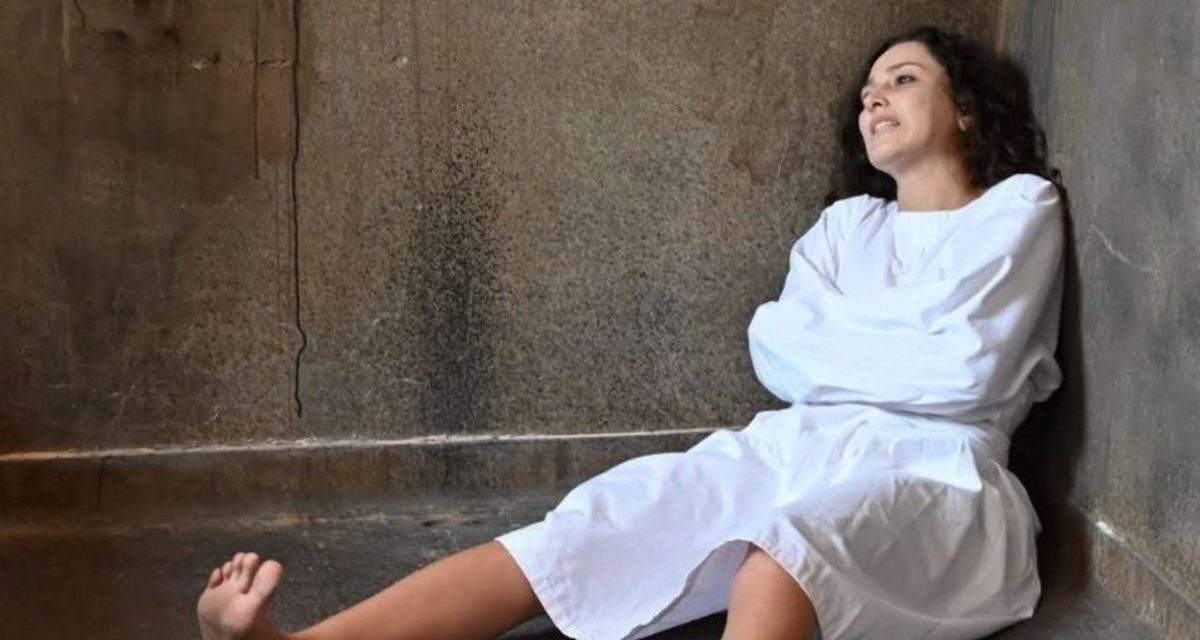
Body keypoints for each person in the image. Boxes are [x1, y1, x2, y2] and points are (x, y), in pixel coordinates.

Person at [197, 23, 1066, 640]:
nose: (876, 96)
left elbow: (971, 372)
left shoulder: (1019, 208)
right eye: (870, 88)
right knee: (598, 525)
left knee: (782, 560)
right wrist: (897, 344)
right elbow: (775, 348)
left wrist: (836, 344)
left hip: (937, 474)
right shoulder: (846, 227)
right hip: (797, 445)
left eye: (903, 79)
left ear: (967, 110)